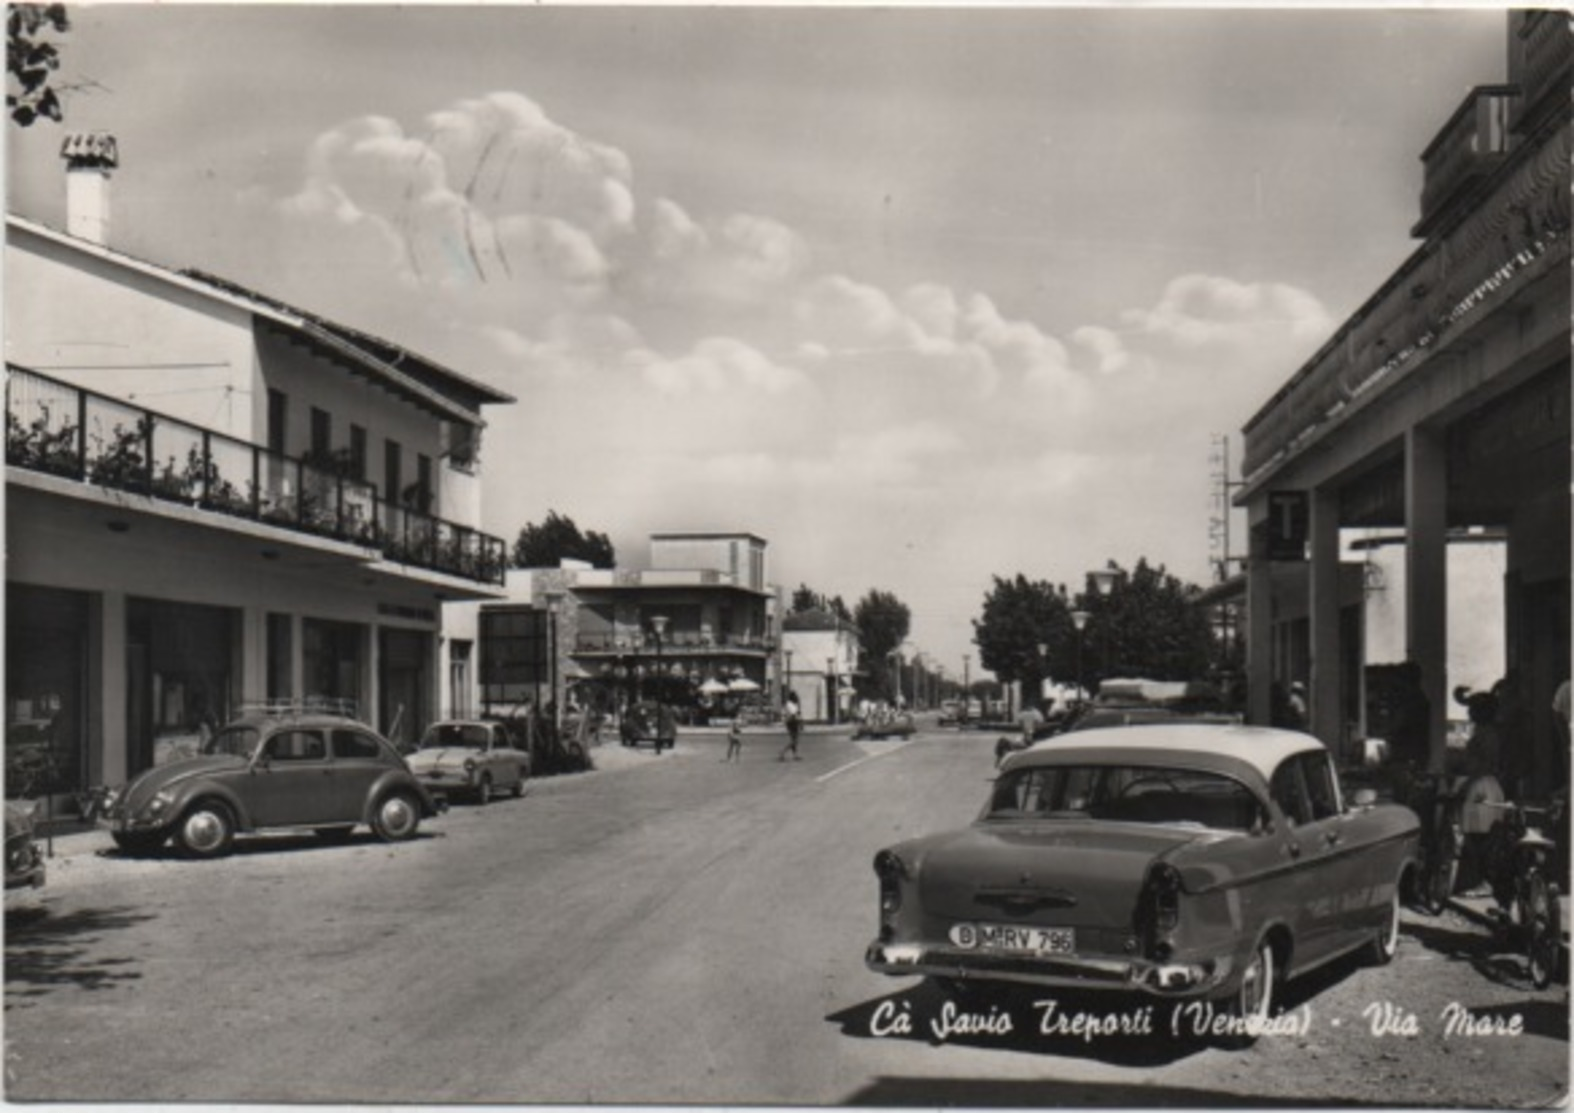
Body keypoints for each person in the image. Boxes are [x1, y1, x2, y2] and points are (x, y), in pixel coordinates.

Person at [779, 691, 803, 761]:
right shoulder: (789, 704)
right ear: (792, 697)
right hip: (792, 722)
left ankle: (795, 755)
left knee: (794, 740)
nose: (796, 698)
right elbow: (794, 714)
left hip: (794, 722)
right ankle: (782, 752)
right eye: (795, 696)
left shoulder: (793, 704)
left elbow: (797, 714)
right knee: (794, 740)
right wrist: (800, 721)